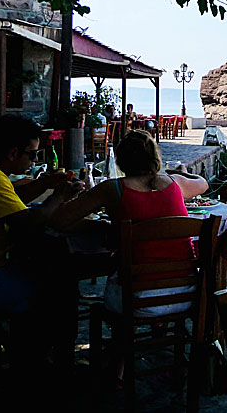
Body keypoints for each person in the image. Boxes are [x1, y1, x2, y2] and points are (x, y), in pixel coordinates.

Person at [56, 130, 208, 316]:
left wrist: (65, 196)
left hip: (136, 298)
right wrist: (177, 173)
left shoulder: (112, 188)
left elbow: (60, 220)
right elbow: (203, 183)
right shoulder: (175, 183)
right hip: (185, 294)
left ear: (121, 161)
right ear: (154, 157)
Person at [0, 114, 84, 374]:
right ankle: (47, 364)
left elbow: (11, 199)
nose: (34, 160)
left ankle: (29, 354)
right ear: (14, 153)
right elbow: (27, 223)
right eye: (32, 154)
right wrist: (60, 196)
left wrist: (44, 184)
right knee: (59, 288)